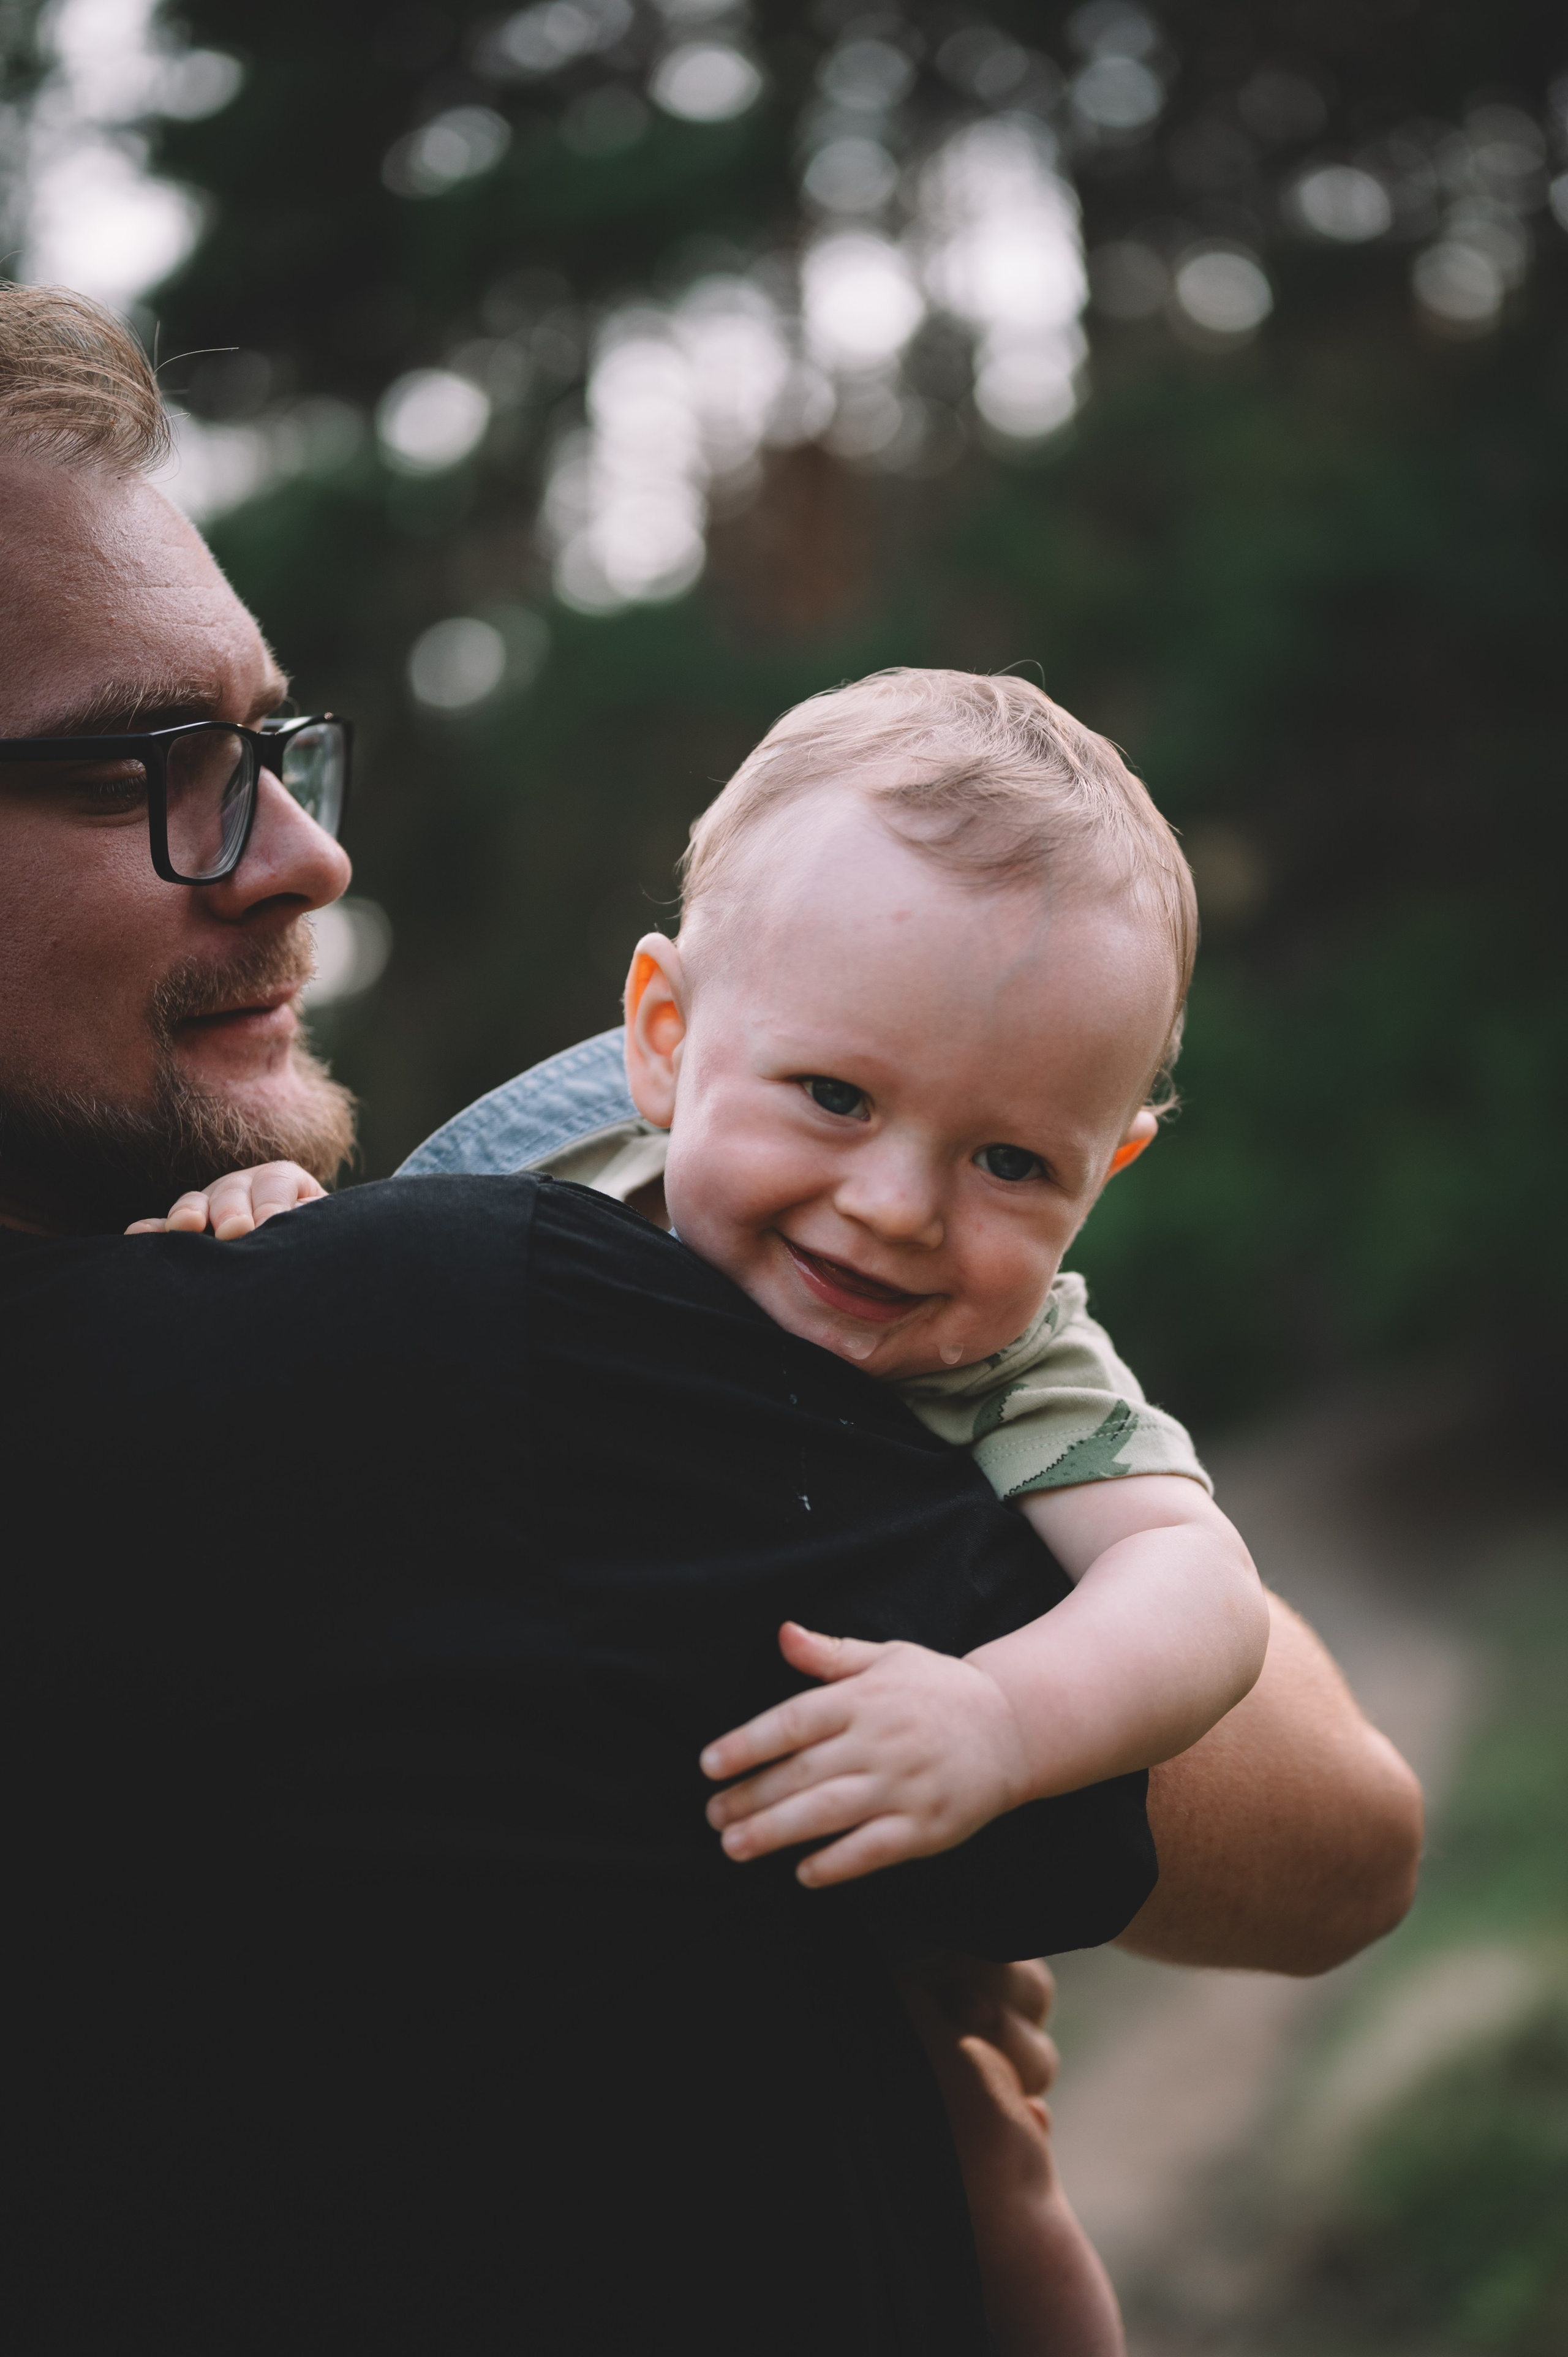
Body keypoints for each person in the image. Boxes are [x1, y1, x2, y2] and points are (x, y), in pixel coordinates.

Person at [0, 283, 1422, 2353]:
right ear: (665, 1026)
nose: (303, 853)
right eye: (154, 764)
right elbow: (1338, 1834)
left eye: (276, 747)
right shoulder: (437, 1348)